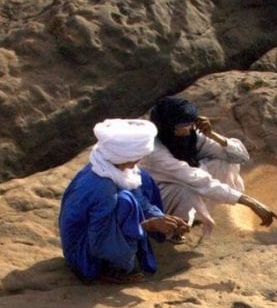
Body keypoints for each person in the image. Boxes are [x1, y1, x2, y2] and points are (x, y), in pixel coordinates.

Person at [59, 118, 189, 283]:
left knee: (144, 180)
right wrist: (146, 226)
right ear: (124, 156)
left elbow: (141, 201)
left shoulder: (113, 166)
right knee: (126, 202)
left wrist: (162, 219)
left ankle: (131, 245)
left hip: (101, 231)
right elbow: (99, 236)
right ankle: (113, 269)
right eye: (137, 156)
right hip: (86, 251)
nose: (139, 159)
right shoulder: (102, 187)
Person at [142, 96, 277, 237]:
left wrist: (212, 135)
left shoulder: (191, 136)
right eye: (182, 126)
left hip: (188, 180)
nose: (188, 130)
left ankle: (196, 214)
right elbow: (197, 180)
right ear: (167, 128)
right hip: (157, 195)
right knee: (184, 191)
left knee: (224, 164)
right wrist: (251, 203)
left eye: (190, 123)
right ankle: (175, 226)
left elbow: (240, 157)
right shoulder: (155, 151)